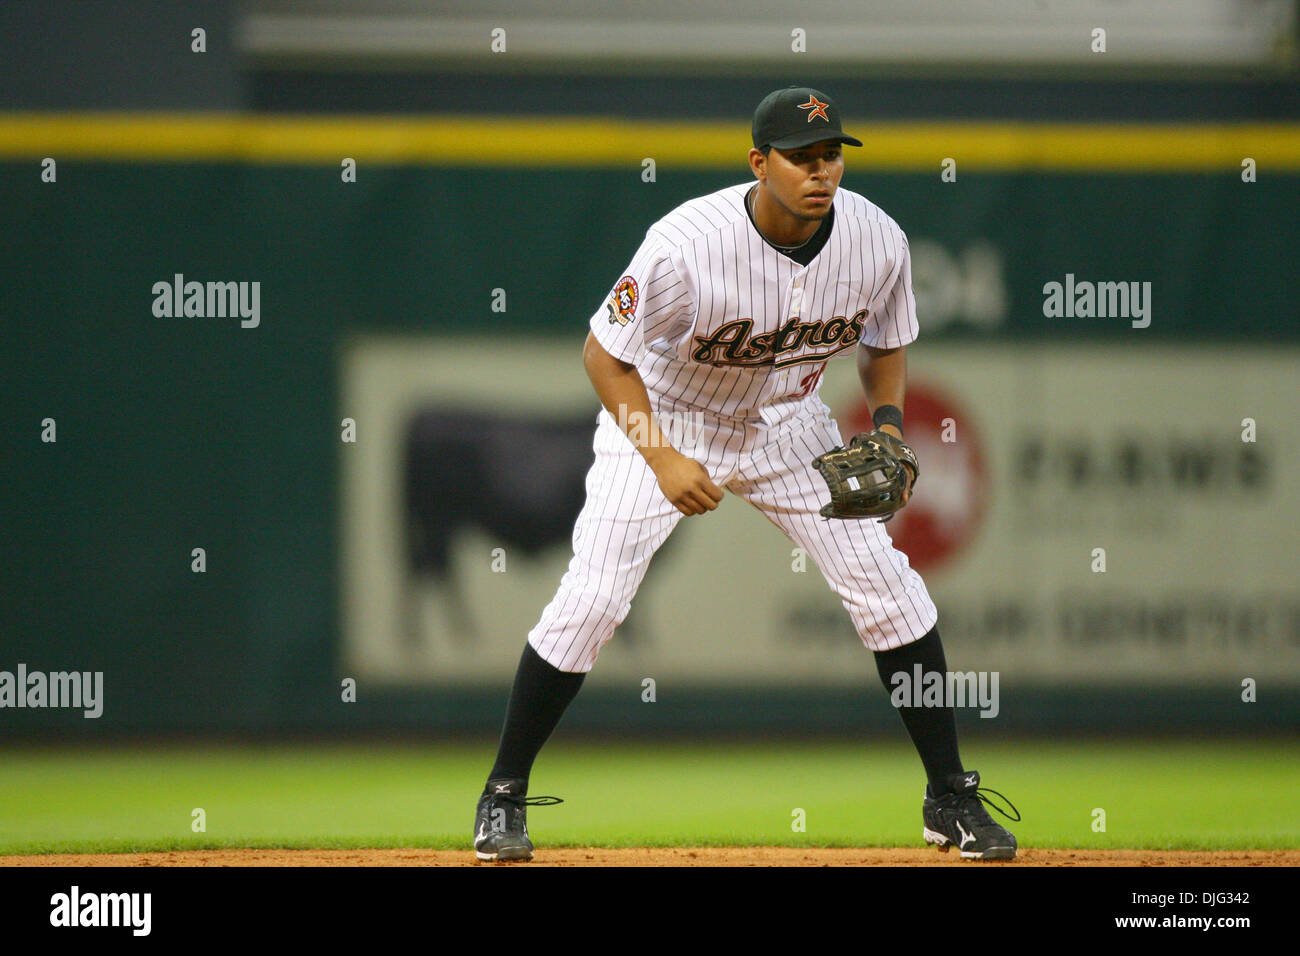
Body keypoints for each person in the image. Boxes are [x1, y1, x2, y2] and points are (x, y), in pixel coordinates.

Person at [473, 86, 1019, 862]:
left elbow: (885, 343)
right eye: (801, 157)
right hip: (667, 414)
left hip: (789, 424)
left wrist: (890, 428)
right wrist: (659, 455)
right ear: (758, 163)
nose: (820, 171)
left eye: (831, 154)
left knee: (890, 592)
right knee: (593, 600)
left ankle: (950, 800)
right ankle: (502, 796)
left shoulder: (876, 239)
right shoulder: (686, 244)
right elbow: (605, 355)